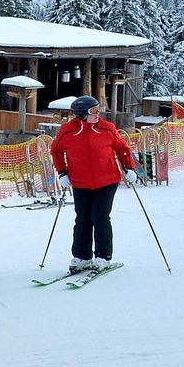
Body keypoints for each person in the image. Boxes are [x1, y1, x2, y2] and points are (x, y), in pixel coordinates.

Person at [49, 95, 139, 273]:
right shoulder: (67, 131)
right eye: (94, 111)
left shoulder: (107, 128)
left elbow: (122, 148)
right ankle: (82, 256)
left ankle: (103, 256)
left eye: (99, 110)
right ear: (82, 114)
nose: (98, 114)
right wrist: (62, 172)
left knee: (100, 217)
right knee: (82, 219)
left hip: (107, 181)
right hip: (80, 182)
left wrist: (129, 168)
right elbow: (56, 151)